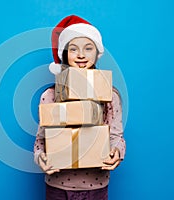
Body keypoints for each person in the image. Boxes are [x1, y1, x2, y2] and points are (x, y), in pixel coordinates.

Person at [33, 15, 126, 200]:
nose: (81, 55)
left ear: (97, 53)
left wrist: (117, 153)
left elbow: (116, 137)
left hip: (97, 185)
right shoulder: (50, 96)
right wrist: (40, 158)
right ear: (65, 53)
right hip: (57, 185)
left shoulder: (110, 95)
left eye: (88, 48)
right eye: (73, 49)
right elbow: (40, 142)